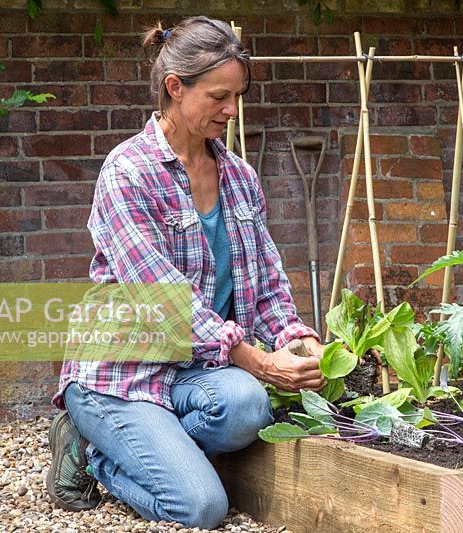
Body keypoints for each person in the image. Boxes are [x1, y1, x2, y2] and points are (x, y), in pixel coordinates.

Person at [45, 16, 325, 530]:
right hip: (122, 375)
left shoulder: (239, 176)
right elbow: (163, 300)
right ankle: (91, 451)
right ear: (175, 88)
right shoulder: (127, 171)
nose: (232, 110)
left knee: (245, 406)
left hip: (196, 371)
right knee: (200, 507)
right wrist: (258, 361)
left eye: (237, 96)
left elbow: (266, 282)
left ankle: (154, 443)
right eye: (220, 96)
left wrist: (299, 342)